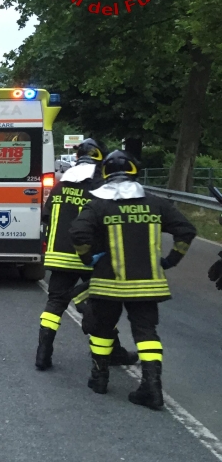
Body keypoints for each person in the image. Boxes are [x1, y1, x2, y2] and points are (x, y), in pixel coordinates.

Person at [70, 150, 197, 408]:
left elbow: (78, 233)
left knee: (102, 329)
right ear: (134, 171)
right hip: (147, 284)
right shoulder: (155, 202)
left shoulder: (98, 204)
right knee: (146, 333)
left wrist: (87, 259)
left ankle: (100, 378)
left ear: (105, 174)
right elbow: (186, 230)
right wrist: (171, 260)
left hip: (109, 283)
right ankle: (152, 387)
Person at [35, 139, 135, 370]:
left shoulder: (61, 185)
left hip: (59, 257)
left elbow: (46, 216)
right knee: (102, 307)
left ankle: (43, 354)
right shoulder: (100, 187)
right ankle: (113, 353)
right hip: (91, 258)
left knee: (55, 303)